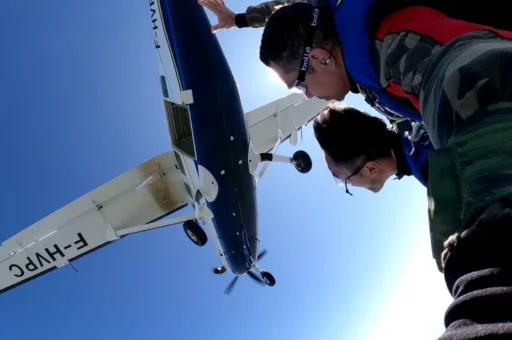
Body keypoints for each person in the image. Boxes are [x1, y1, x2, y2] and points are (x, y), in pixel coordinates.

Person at [199, 2, 512, 338]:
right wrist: (240, 19)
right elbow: (296, 12)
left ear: (321, 58)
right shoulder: (356, 44)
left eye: (299, 85)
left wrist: (485, 291)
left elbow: (472, 80)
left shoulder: (398, 53)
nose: (308, 95)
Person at [312, 104, 430, 194]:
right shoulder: (405, 110)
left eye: (345, 180)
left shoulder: (432, 167)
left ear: (371, 169)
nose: (351, 185)